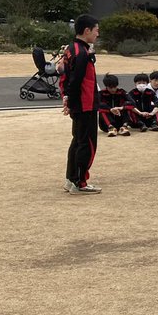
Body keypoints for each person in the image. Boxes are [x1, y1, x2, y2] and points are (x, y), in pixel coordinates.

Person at [61, 14, 101, 192]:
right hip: (85, 104)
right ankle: (80, 182)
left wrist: (67, 99)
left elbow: (65, 76)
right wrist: (70, 99)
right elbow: (75, 80)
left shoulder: (71, 48)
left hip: (79, 103)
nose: (97, 34)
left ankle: (71, 179)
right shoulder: (81, 52)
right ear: (87, 31)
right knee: (87, 143)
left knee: (77, 141)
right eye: (96, 30)